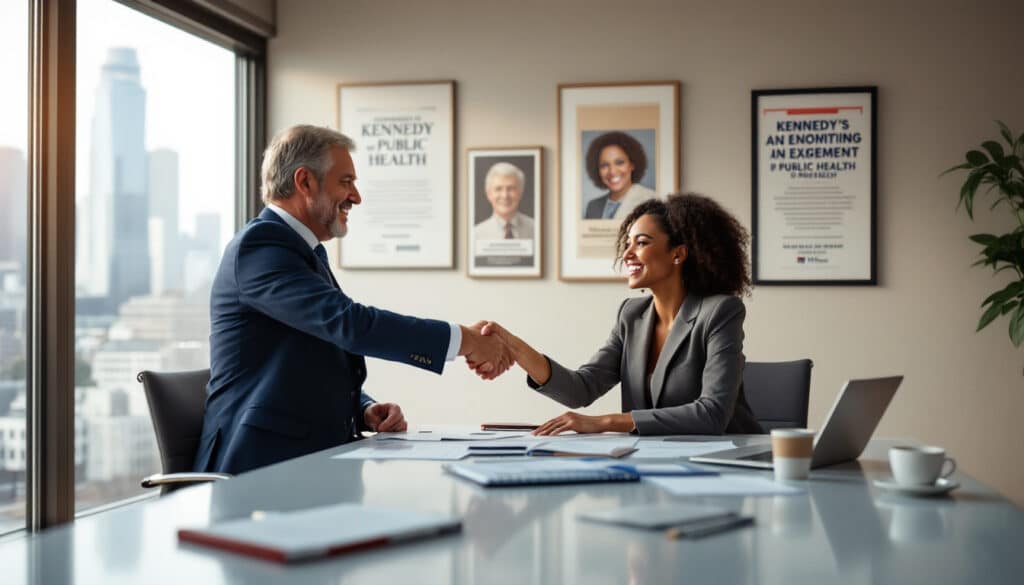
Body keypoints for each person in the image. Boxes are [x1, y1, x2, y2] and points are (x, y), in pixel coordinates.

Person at [194, 125, 510, 475]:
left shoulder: (302, 251)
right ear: (305, 182)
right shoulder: (262, 246)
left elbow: (304, 360)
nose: (356, 196)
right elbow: (349, 324)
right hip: (256, 470)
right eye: (345, 182)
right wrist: (463, 340)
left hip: (303, 463)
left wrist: (362, 409)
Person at [482, 193, 762, 436]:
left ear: (678, 254)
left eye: (641, 242)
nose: (627, 253)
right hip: (656, 462)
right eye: (627, 243)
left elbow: (712, 414)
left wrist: (605, 422)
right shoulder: (632, 315)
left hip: (725, 464)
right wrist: (515, 347)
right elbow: (582, 388)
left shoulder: (720, 312)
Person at [582, 131, 658, 220]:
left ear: (632, 164)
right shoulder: (593, 207)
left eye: (619, 162)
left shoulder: (651, 201)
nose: (612, 172)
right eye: (604, 165)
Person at [473, 162, 534, 240]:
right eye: (498, 189)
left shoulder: (536, 229)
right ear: (488, 194)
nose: (505, 195)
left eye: (511, 188)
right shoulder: (476, 234)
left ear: (520, 192)